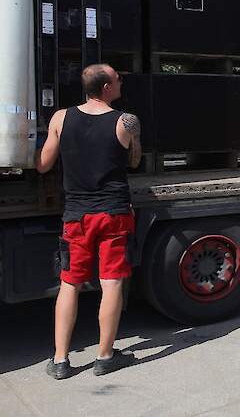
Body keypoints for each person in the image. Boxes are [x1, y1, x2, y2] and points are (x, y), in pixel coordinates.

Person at [36, 63, 142, 379]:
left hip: (76, 217)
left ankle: (60, 361)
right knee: (111, 283)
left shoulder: (61, 118)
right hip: (113, 214)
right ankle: (105, 356)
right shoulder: (123, 122)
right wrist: (135, 138)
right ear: (107, 88)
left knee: (69, 284)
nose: (121, 81)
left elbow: (43, 166)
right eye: (117, 78)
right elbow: (134, 162)